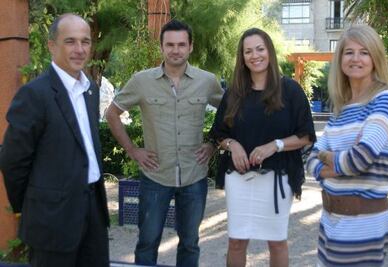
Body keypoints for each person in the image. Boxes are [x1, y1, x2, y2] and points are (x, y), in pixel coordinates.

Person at [105, 19, 223, 266]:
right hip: (155, 176)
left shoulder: (207, 81)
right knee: (147, 241)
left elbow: (230, 114)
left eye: (181, 44)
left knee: (190, 243)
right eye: (170, 44)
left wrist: (213, 143)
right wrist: (132, 150)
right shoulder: (141, 81)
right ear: (161, 47)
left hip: (194, 176)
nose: (175, 50)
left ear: (191, 47)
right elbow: (112, 113)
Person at [0, 14, 110, 267]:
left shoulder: (91, 90)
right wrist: (32, 207)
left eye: (86, 41)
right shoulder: (34, 95)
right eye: (70, 41)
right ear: (52, 46)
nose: (80, 49)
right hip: (51, 220)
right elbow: (12, 161)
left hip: (93, 210)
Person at [209, 28, 315, 267]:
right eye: (248, 51)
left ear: (269, 51)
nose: (254, 55)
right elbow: (218, 134)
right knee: (236, 241)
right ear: (242, 57)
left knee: (276, 241)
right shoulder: (234, 94)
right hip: (239, 178)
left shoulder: (291, 90)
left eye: (260, 49)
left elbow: (306, 135)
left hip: (278, 177)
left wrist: (275, 146)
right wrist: (232, 145)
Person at [306, 25, 388, 267]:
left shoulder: (386, 99)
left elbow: (357, 160)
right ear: (340, 59)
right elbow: (310, 158)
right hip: (330, 220)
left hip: (363, 224)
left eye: (364, 52)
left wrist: (327, 156)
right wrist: (338, 159)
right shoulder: (340, 109)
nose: (356, 59)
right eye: (349, 52)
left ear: (375, 57)